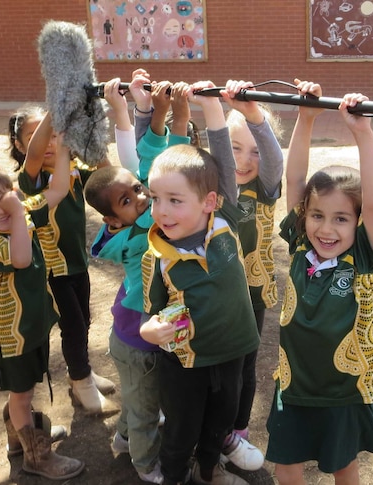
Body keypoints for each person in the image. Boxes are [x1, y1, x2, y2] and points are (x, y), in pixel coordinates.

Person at [265, 80, 373, 485]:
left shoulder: (362, 258)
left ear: (357, 223)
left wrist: (361, 133)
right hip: (294, 383)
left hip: (341, 390)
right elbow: (295, 179)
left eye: (341, 219)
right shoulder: (301, 246)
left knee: (343, 466)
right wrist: (306, 118)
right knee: (286, 466)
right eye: (318, 215)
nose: (327, 228)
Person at [138, 80, 259, 485]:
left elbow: (221, 160)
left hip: (233, 354)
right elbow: (151, 315)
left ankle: (209, 471)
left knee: (219, 425)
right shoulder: (157, 256)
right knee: (180, 431)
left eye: (175, 200)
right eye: (156, 198)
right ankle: (175, 476)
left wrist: (212, 106)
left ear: (208, 202)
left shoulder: (225, 222)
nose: (161, 210)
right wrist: (151, 329)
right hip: (185, 365)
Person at [0, 118, 84, 480]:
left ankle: (20, 440)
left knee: (26, 390)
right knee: (22, 395)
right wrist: (19, 212)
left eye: (3, 199)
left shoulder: (14, 217)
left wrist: (66, 146)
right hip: (11, 335)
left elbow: (55, 192)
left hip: (31, 326)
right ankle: (36, 458)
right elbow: (21, 258)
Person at [82, 74, 190, 484]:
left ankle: (126, 439)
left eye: (140, 190)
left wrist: (159, 114)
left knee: (136, 396)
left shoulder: (127, 221)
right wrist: (164, 115)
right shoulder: (135, 230)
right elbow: (157, 160)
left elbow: (146, 165)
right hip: (136, 340)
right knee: (147, 407)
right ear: (113, 219)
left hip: (131, 336)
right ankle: (146, 465)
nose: (145, 198)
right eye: (130, 200)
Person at [8, 105, 117, 415]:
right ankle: (81, 383)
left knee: (84, 318)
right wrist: (57, 107)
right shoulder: (30, 179)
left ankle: (80, 373)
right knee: (73, 324)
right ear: (19, 145)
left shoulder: (72, 169)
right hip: (51, 269)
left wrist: (93, 128)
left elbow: (107, 175)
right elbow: (35, 155)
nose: (50, 143)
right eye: (39, 137)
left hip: (76, 262)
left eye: (57, 136)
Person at [218, 79, 284, 468]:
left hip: (253, 293)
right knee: (219, 366)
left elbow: (275, 159)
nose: (244, 160)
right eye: (235, 148)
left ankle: (237, 432)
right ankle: (215, 430)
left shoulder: (266, 187)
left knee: (245, 364)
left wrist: (253, 114)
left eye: (255, 151)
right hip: (217, 294)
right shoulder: (218, 185)